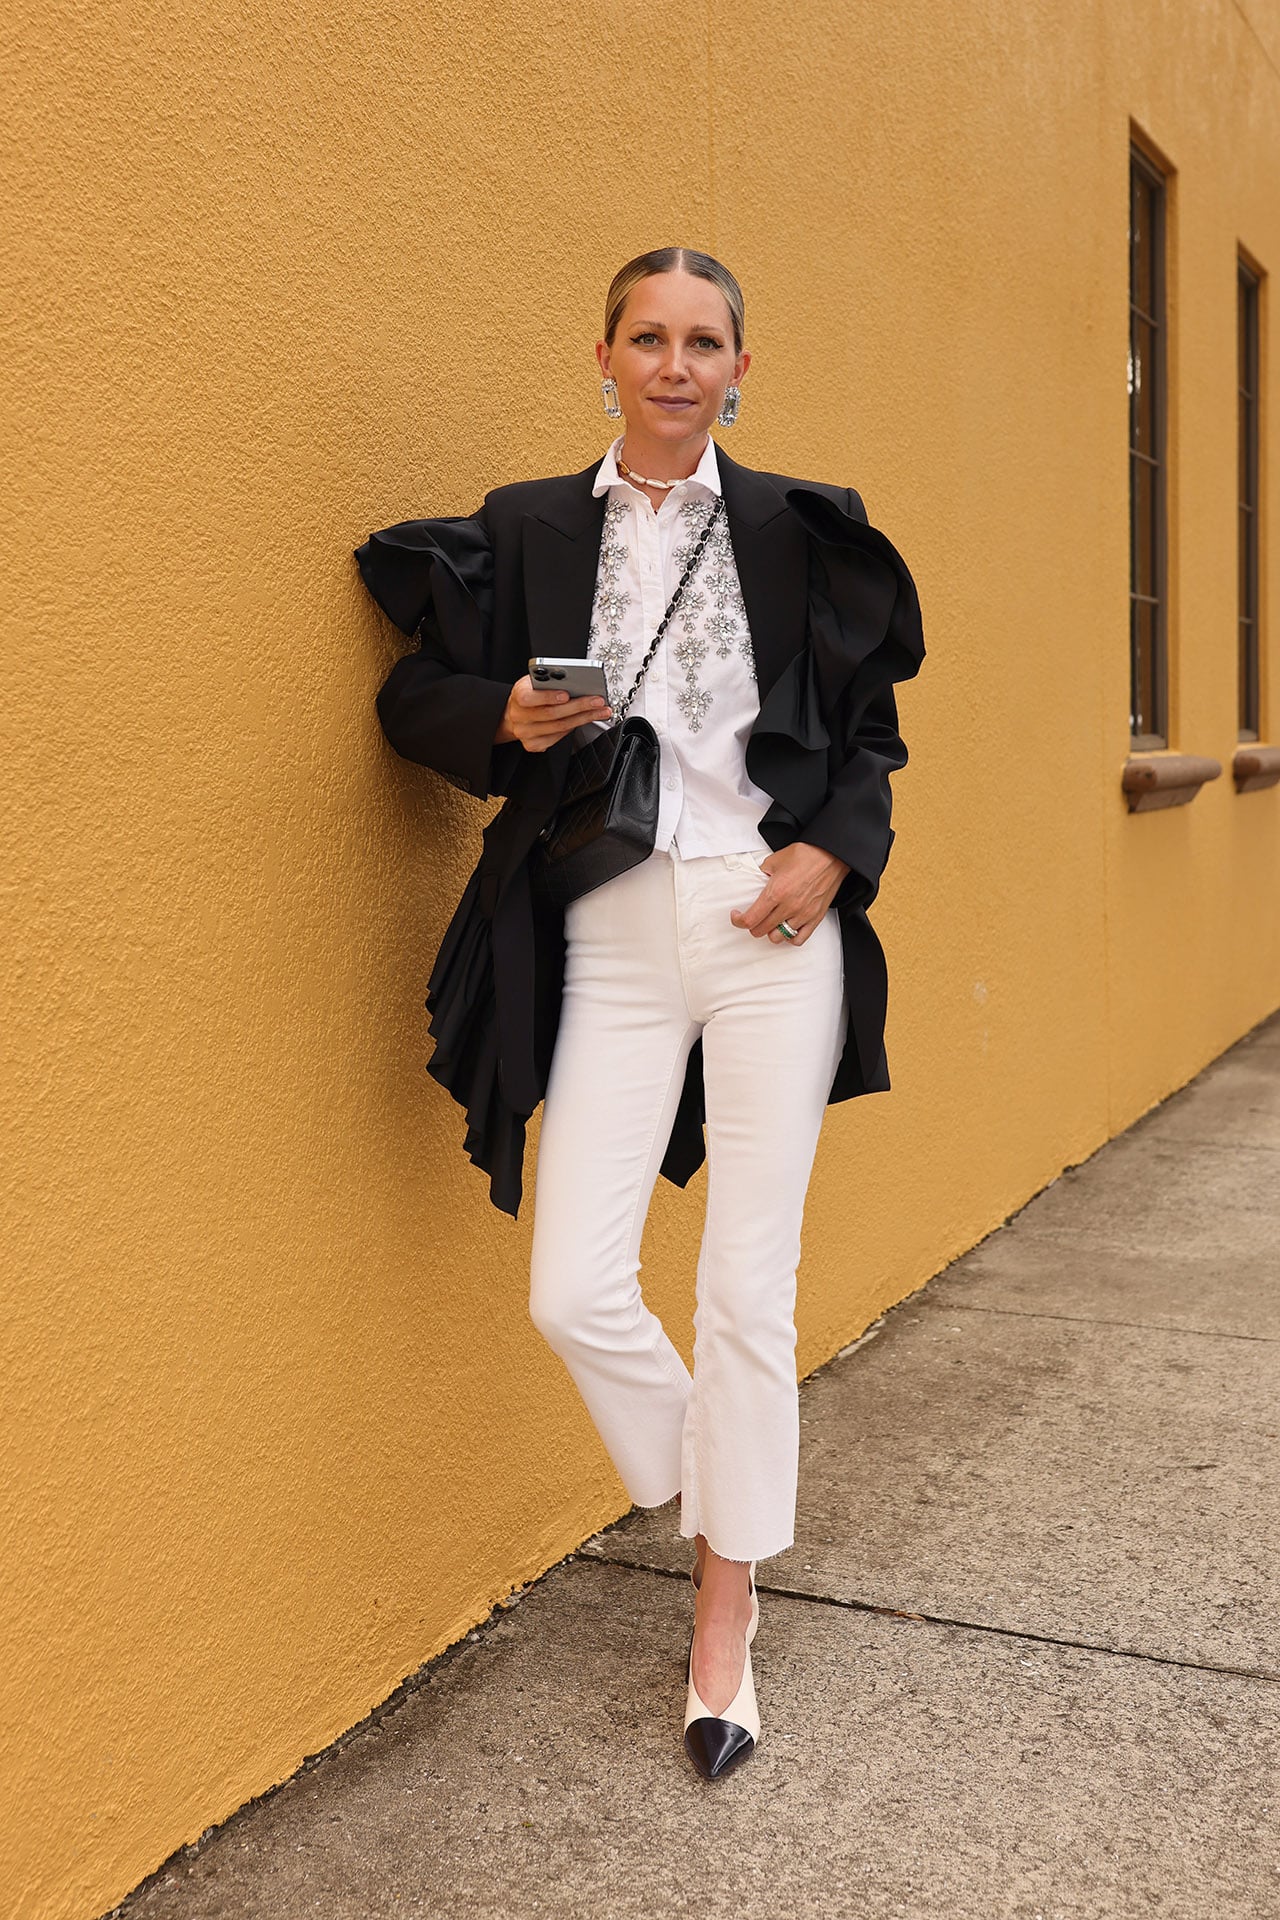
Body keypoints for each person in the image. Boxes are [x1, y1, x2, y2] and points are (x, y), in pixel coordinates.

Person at [355, 246, 925, 1781]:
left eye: (706, 342)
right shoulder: (532, 526)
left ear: (744, 367)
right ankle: (722, 1481)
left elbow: (868, 737)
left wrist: (829, 850)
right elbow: (414, 699)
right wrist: (504, 717)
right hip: (609, 926)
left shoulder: (799, 530)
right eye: (649, 338)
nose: (677, 365)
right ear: (600, 354)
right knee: (573, 1288)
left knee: (749, 1289)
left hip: (769, 921)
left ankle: (722, 1630)